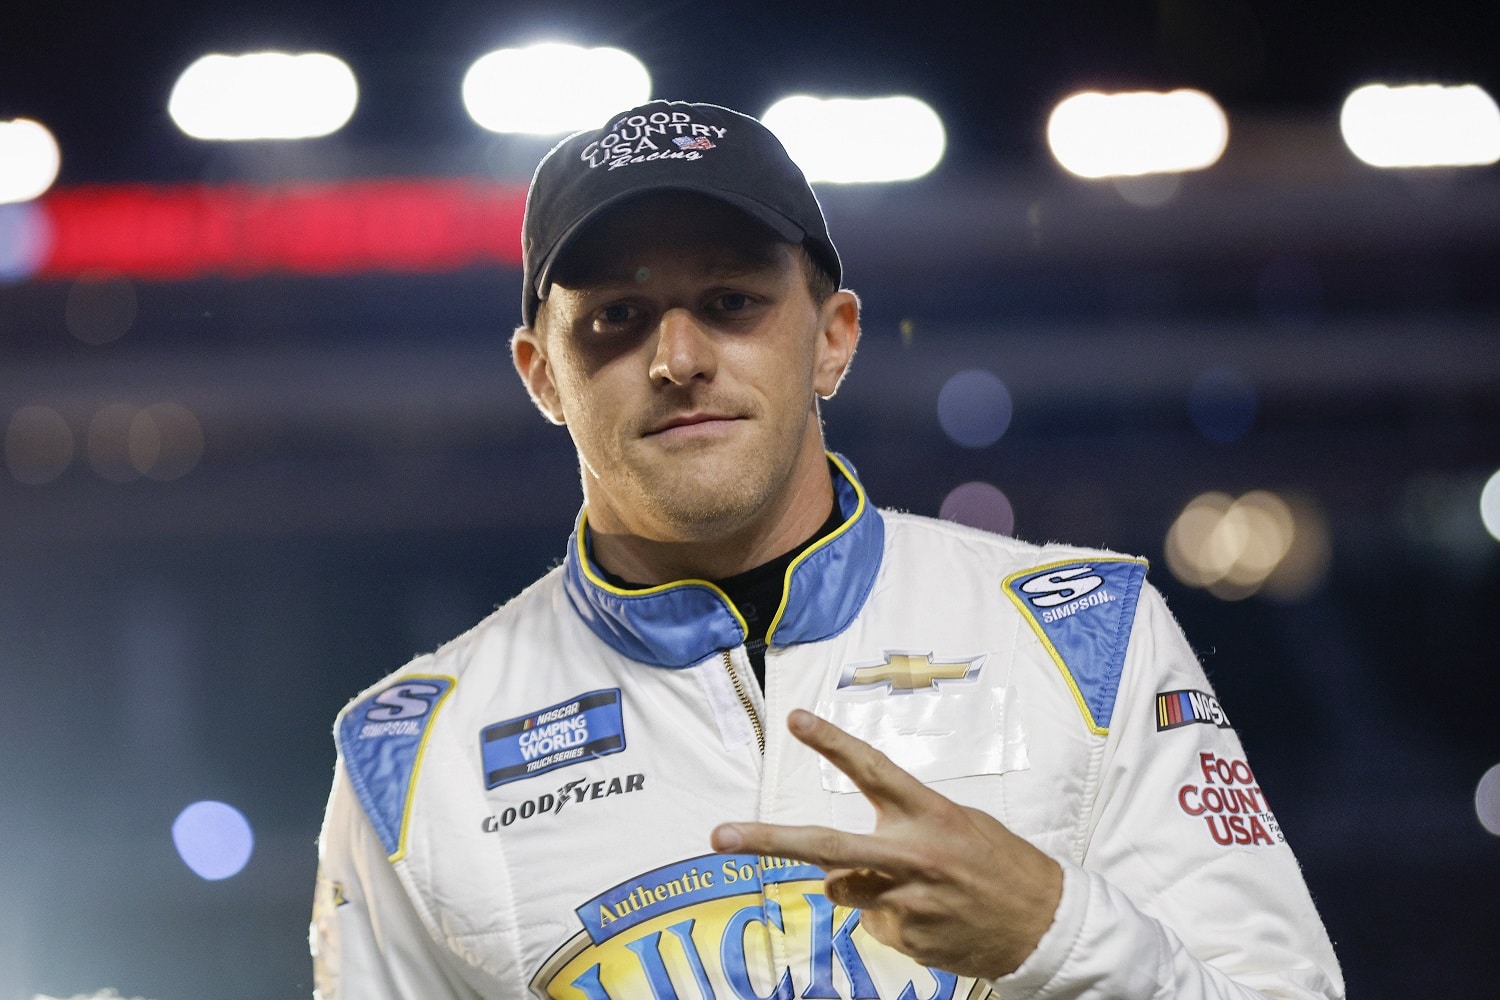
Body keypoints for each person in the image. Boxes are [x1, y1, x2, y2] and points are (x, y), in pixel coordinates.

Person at [310, 100, 1344, 1000]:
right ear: (541, 375)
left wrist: (1056, 932)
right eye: (617, 319)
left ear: (835, 337)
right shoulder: (410, 757)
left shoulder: (1081, 635)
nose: (677, 358)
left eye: (731, 303)